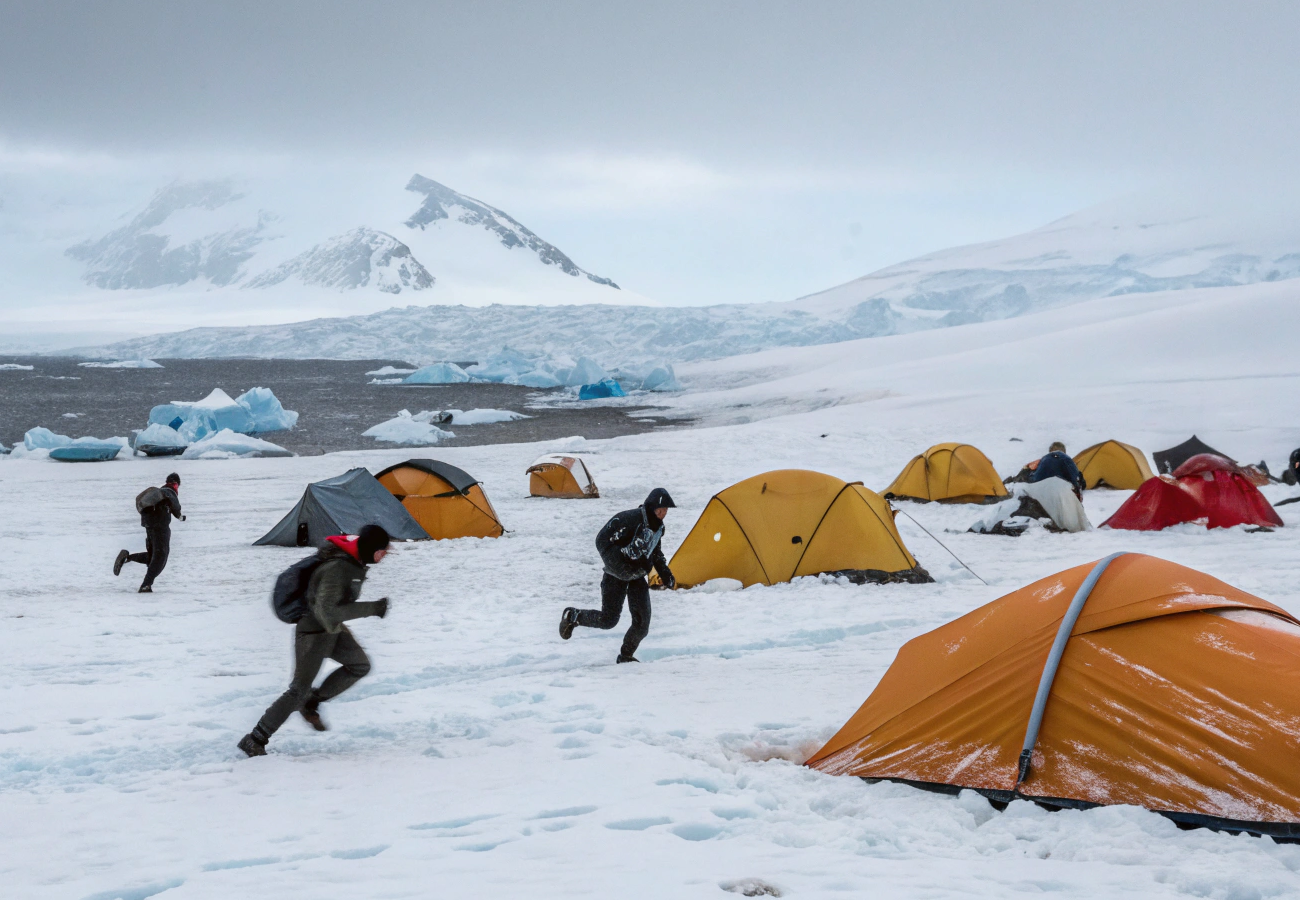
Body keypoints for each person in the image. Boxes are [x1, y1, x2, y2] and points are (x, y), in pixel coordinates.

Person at [238, 524, 392, 757]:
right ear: (371, 548)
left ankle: (311, 701)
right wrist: (373, 608)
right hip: (313, 633)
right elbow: (327, 611)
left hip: (331, 630)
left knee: (359, 665)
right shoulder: (339, 568)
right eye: (383, 550)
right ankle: (255, 738)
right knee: (298, 690)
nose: (386, 554)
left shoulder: (353, 562)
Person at [559, 488, 676, 663]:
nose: (663, 513)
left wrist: (666, 574)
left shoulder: (659, 528)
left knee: (642, 625)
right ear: (651, 506)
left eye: (666, 510)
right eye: (661, 509)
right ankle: (573, 616)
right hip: (615, 575)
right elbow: (601, 540)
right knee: (609, 620)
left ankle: (626, 656)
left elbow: (655, 553)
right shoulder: (629, 518)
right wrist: (617, 563)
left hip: (636, 577)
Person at [114, 472, 184, 593]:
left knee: (152, 556)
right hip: (160, 526)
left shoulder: (159, 494)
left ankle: (127, 558)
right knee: (160, 557)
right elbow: (176, 506)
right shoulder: (169, 491)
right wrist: (180, 516)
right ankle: (146, 585)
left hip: (149, 525)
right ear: (176, 484)